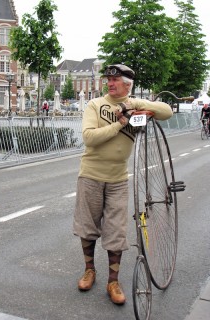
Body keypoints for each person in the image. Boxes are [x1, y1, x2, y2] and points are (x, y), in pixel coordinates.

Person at [73, 64, 173, 305]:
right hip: (91, 175)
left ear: (128, 84)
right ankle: (89, 270)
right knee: (88, 226)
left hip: (118, 179)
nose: (109, 83)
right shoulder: (95, 105)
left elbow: (167, 111)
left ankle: (113, 281)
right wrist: (120, 123)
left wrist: (136, 106)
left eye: (115, 80)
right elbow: (89, 138)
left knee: (117, 230)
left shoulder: (135, 104)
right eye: (108, 79)